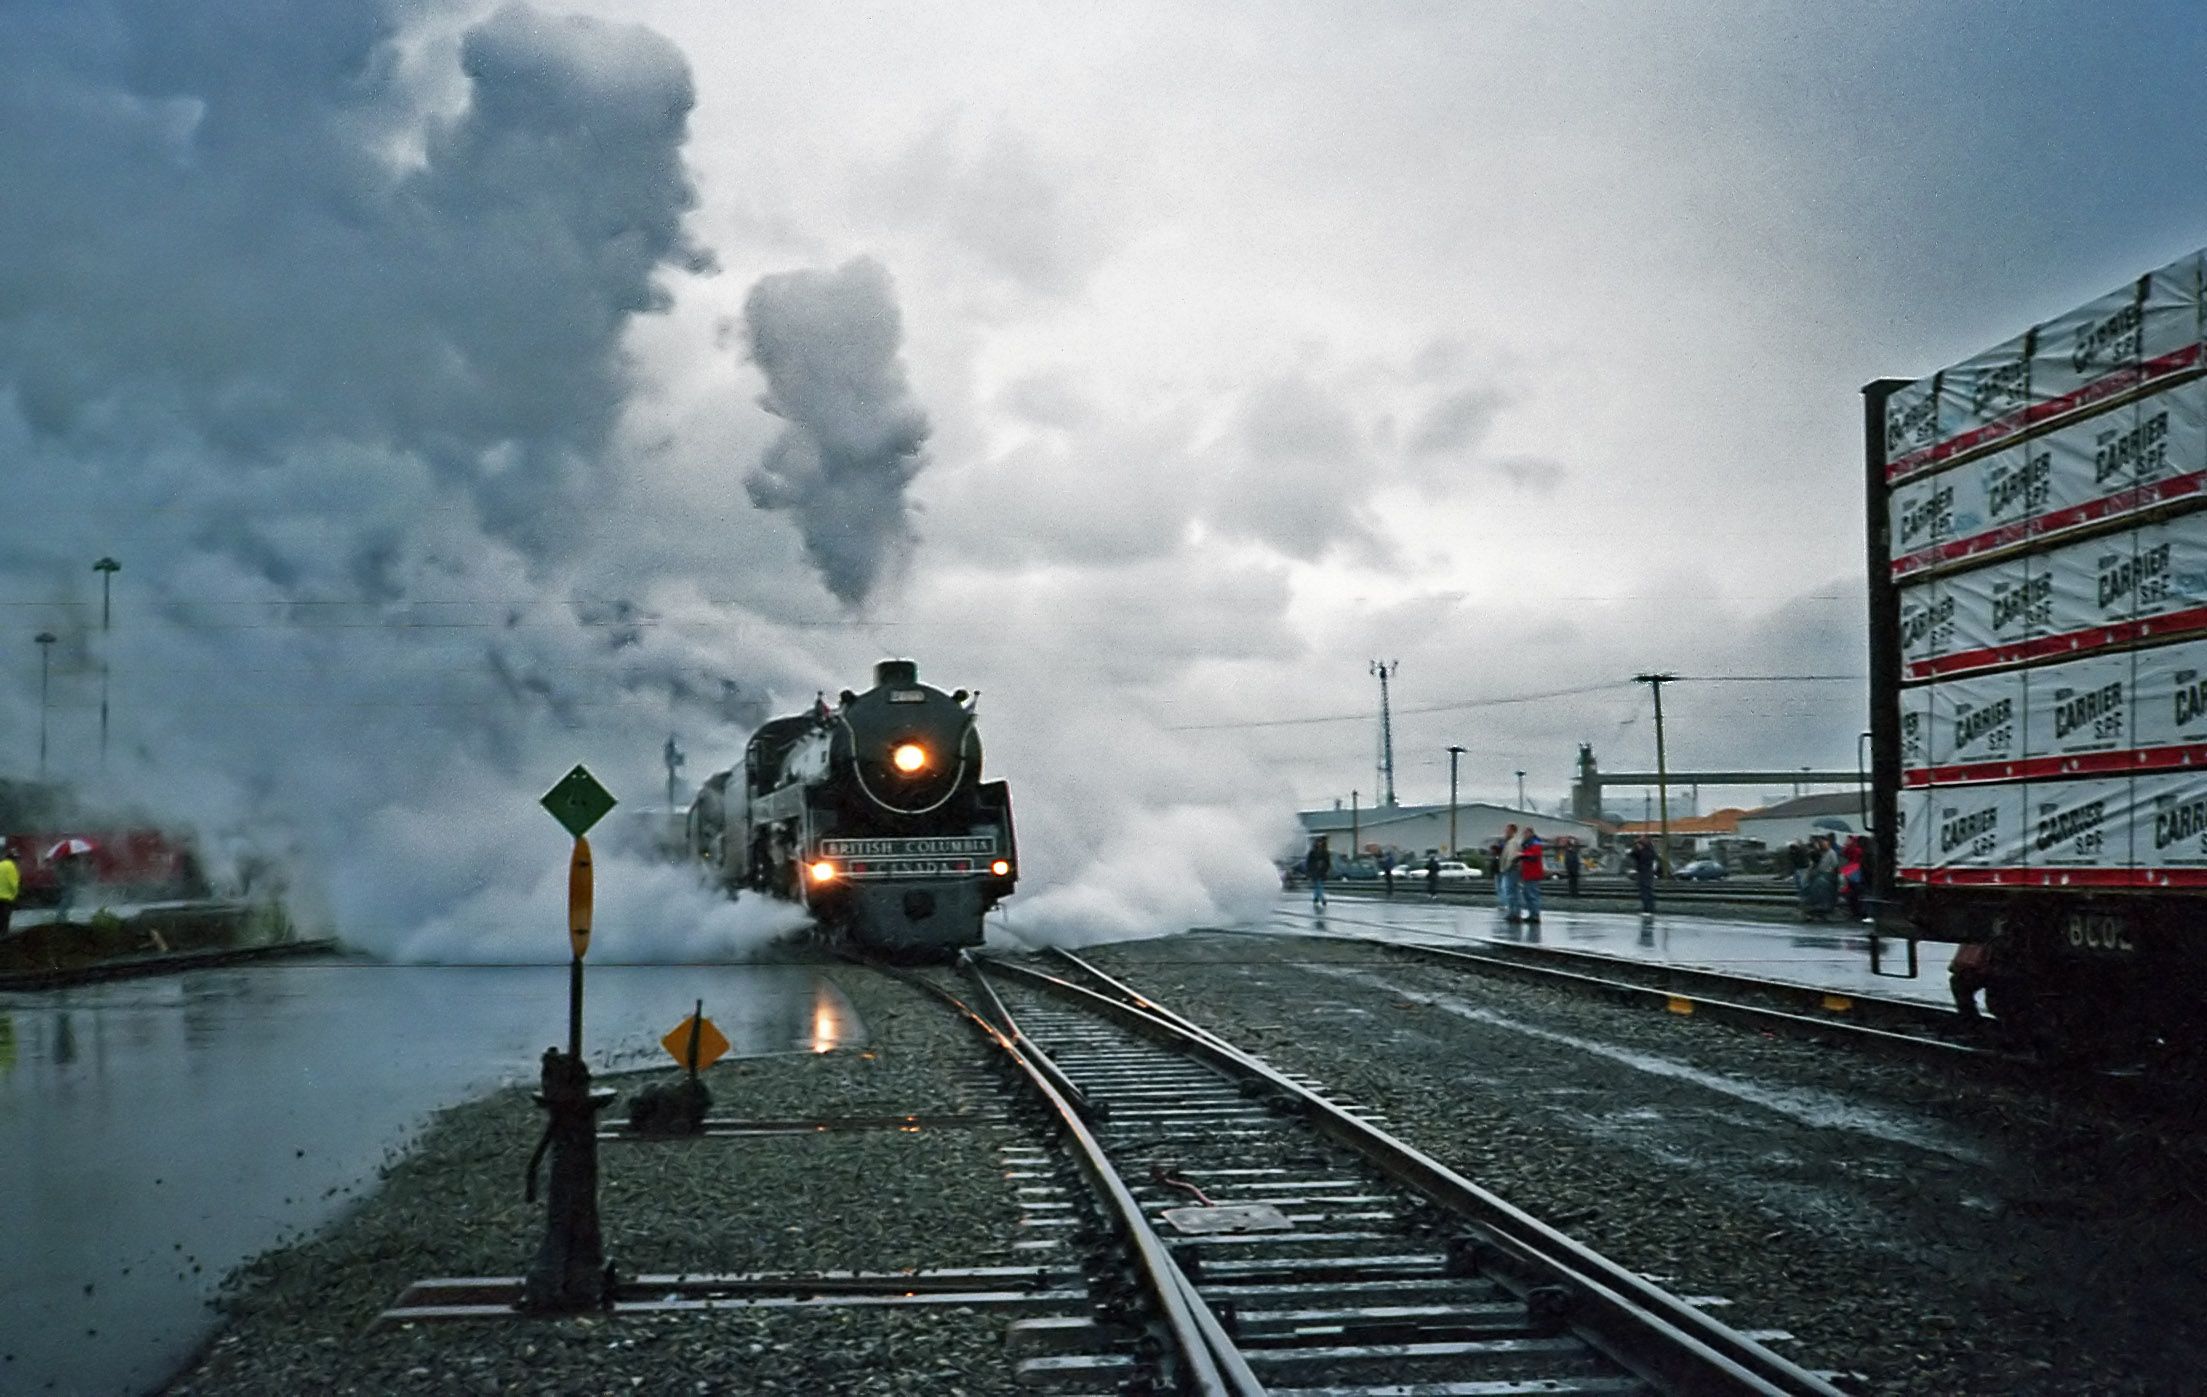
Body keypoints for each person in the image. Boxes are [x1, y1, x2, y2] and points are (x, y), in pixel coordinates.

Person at [1515, 826, 1545, 922]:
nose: (1525, 835)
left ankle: (1535, 915)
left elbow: (1534, 856)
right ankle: (1532, 914)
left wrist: (1522, 855)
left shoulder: (1535, 843)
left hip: (1532, 872)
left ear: (1531, 833)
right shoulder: (1528, 844)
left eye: (1526, 833)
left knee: (1532, 894)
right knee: (1528, 894)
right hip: (1528, 872)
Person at [1628, 834, 1658, 914]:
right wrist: (1636, 848)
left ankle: (1648, 909)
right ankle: (1648, 908)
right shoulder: (1648, 850)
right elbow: (1632, 854)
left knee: (1646, 891)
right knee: (1646, 891)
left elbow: (1635, 855)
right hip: (1644, 873)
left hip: (1645, 873)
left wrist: (1637, 848)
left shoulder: (1646, 852)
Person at [1496, 824, 1521, 915]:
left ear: (1512, 831)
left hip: (1511, 870)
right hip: (1510, 869)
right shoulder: (1509, 842)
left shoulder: (1513, 843)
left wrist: (1506, 867)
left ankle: (1514, 912)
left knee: (1511, 891)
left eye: (1507, 831)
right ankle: (1513, 911)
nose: (1505, 832)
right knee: (1511, 891)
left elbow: (1511, 857)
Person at [1304, 837, 1330, 910]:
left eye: (1320, 842)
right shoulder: (1312, 852)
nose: (1319, 844)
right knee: (1319, 885)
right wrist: (1309, 871)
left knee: (1318, 885)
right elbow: (1308, 863)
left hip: (1321, 871)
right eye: (1318, 842)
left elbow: (1328, 862)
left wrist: (1325, 869)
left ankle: (1316, 898)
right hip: (1314, 871)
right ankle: (1322, 899)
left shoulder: (1325, 852)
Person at [0, 845, 16, 939]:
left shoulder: (0, 865)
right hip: (7, 897)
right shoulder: (11, 867)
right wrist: (15, 895)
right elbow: (13, 883)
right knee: (5, 918)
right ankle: (4, 936)